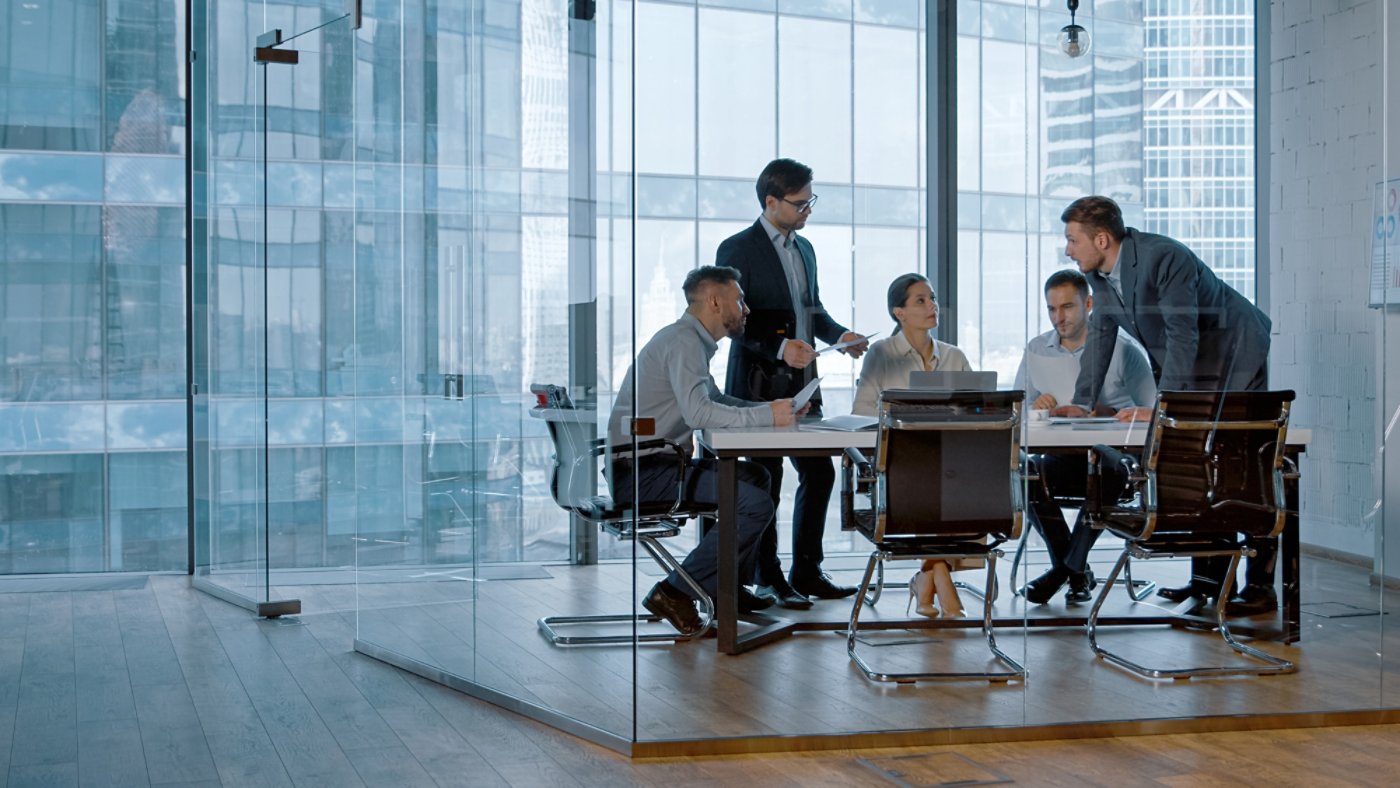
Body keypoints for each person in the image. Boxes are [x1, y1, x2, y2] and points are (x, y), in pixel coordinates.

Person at [1058, 195, 1277, 615]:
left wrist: (1164, 407)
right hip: (1193, 362)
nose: (1068, 249)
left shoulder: (1164, 258)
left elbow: (1183, 333)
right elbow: (1102, 338)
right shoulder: (1101, 278)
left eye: (1072, 239)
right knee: (1196, 460)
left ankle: (1260, 587)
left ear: (1101, 238)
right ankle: (1208, 582)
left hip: (1234, 351)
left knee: (1238, 459)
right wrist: (1082, 403)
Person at [607, 265, 805, 634]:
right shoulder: (683, 342)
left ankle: (725, 588)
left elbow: (715, 400)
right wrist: (766, 415)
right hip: (642, 474)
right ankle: (675, 591)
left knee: (755, 475)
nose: (746, 309)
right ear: (715, 301)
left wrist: (775, 410)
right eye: (739, 299)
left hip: (656, 465)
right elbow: (699, 413)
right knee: (756, 503)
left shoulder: (688, 341)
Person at [718, 158, 868, 608]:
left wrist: (840, 336)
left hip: (805, 382)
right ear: (770, 201)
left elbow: (812, 310)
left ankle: (808, 569)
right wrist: (781, 348)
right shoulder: (737, 248)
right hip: (759, 382)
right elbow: (733, 321)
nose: (808, 210)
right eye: (801, 203)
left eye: (810, 201)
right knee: (767, 476)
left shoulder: (805, 250)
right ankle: (769, 577)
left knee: (819, 471)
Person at [1014, 269, 1156, 605]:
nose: (1058, 317)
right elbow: (1016, 409)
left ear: (1089, 303)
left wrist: (1105, 411)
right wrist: (1038, 406)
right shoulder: (1037, 349)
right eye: (1051, 309)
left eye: (1067, 307)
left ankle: (1064, 572)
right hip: (1062, 458)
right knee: (1024, 472)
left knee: (1103, 468)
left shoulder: (1123, 350)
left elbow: (1154, 412)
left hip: (1114, 462)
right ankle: (1073, 569)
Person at [854, 273, 973, 618]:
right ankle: (939, 576)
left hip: (949, 463)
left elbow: (975, 412)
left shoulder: (954, 356)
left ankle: (930, 575)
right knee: (941, 486)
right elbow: (861, 412)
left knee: (960, 482)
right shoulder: (881, 355)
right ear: (898, 312)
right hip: (901, 466)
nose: (932, 306)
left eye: (932, 298)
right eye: (920, 300)